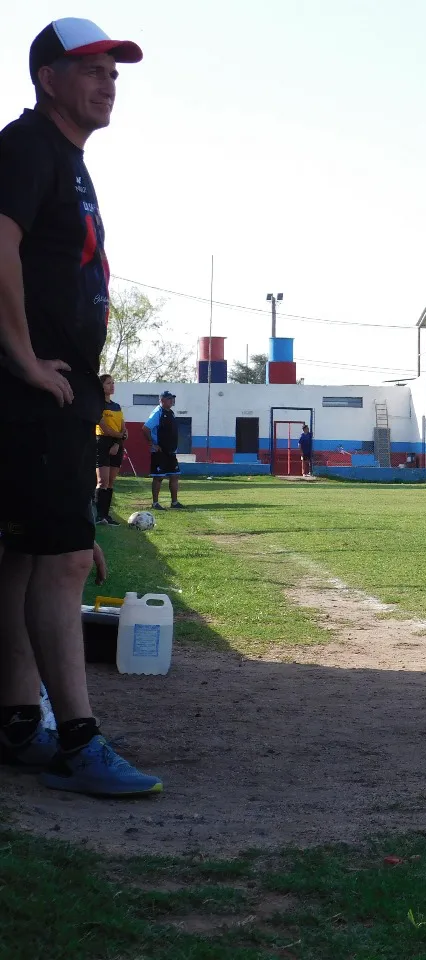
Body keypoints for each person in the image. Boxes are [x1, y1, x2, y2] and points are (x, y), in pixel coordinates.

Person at [0, 19, 160, 796]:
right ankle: (78, 739)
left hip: (58, 389)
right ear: (48, 78)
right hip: (36, 389)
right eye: (92, 69)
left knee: (26, 556)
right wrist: (23, 355)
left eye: (114, 72)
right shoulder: (28, 145)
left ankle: (16, 722)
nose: (109, 82)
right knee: (64, 557)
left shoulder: (66, 159)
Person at [94, 373, 126, 524]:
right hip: (102, 443)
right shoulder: (97, 405)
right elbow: (104, 428)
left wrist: (118, 442)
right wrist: (120, 435)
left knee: (111, 482)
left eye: (113, 383)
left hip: (116, 444)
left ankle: (106, 516)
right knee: (103, 481)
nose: (112, 386)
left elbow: (123, 427)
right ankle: (99, 516)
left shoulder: (117, 406)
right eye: (108, 383)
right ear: (101, 386)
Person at [143, 390, 183, 509]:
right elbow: (145, 428)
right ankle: (155, 503)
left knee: (174, 476)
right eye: (169, 398)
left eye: (172, 398)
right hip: (160, 452)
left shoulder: (171, 413)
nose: (172, 401)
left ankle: (174, 502)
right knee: (159, 477)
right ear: (162, 400)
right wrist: (152, 444)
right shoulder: (158, 413)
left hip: (171, 451)